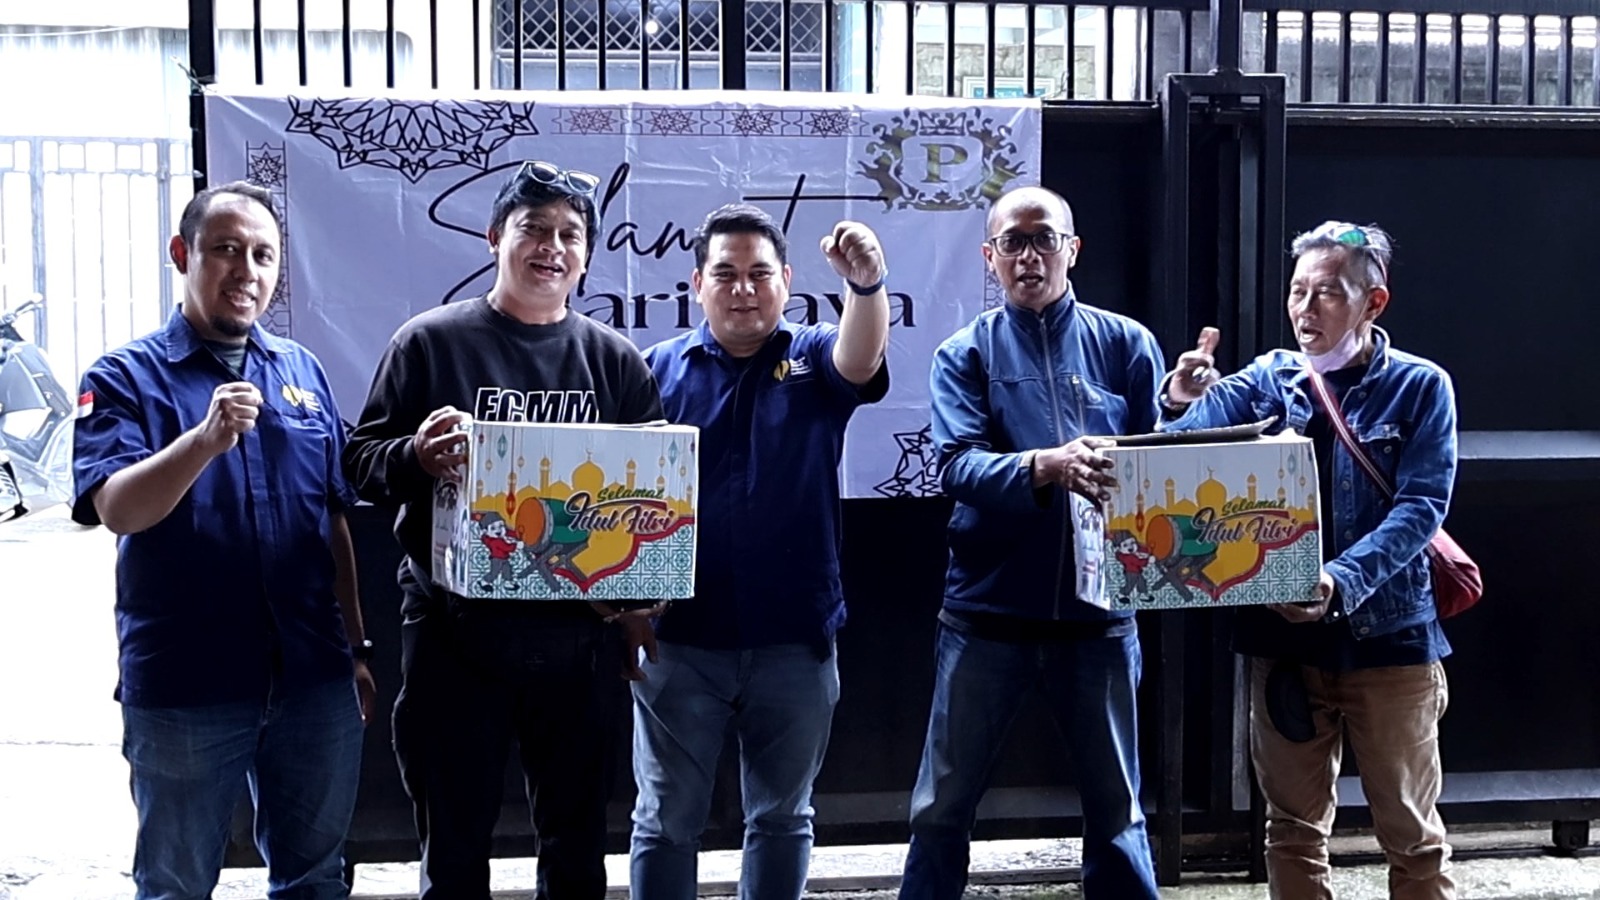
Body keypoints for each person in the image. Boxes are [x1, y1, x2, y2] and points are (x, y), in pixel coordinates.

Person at [342, 160, 664, 900]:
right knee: (454, 845)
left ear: (587, 255)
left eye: (570, 235)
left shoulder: (615, 361)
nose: (552, 247)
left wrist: (636, 610)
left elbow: (650, 500)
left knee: (577, 846)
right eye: (533, 229)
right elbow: (360, 463)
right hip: (454, 634)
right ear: (494, 238)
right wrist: (416, 455)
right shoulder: (429, 344)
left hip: (578, 639)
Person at [70, 180, 372, 900]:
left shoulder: (301, 371)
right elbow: (117, 509)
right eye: (227, 249)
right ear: (184, 254)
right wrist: (203, 441)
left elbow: (331, 521)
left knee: (316, 879)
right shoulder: (123, 377)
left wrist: (357, 649)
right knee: (176, 884)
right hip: (187, 683)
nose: (246, 270)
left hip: (312, 678)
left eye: (263, 255)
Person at [1161, 221, 1457, 899]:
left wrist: (1338, 580)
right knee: (1291, 829)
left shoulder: (1419, 387)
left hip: (1388, 641)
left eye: (1327, 293)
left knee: (1412, 836)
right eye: (1298, 291)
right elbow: (1175, 450)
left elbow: (1422, 508)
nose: (1305, 308)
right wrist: (1182, 397)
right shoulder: (1268, 378)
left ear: (1373, 302)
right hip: (1284, 647)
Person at [900, 186, 1163, 899]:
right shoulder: (964, 354)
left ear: (1071, 249)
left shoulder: (1127, 344)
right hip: (986, 615)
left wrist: (1185, 409)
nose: (1028, 256)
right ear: (989, 257)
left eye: (1043, 239)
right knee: (940, 807)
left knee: (1118, 812)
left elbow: (1158, 464)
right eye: (1012, 243)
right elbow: (957, 466)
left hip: (1100, 619)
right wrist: (1045, 465)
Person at [629, 204, 891, 900]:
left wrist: (866, 285)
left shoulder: (814, 356)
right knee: (664, 821)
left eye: (759, 274)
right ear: (697, 285)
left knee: (782, 818)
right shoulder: (655, 372)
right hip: (679, 641)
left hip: (793, 638)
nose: (743, 289)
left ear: (786, 282)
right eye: (725, 274)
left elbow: (861, 360)